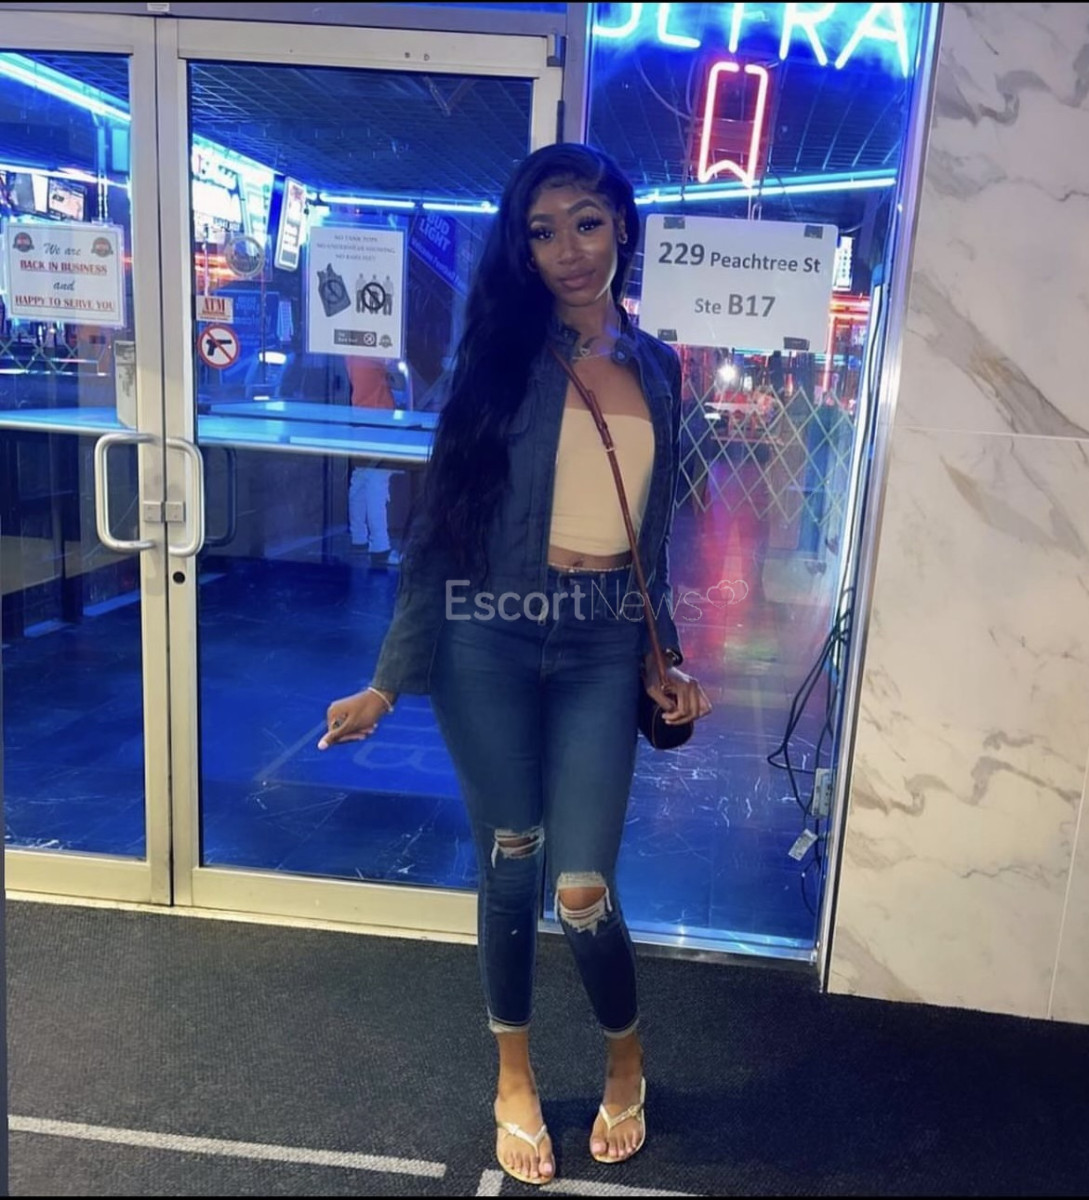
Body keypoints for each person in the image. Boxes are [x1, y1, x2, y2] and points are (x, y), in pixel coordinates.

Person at [318, 143, 712, 1186]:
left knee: (581, 889)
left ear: (622, 227)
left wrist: (662, 658)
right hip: (485, 636)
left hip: (601, 641)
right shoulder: (495, 359)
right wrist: (389, 679)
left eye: (587, 222)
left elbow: (653, 539)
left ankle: (625, 1061)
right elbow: (438, 531)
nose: (568, 250)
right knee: (511, 857)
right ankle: (514, 1079)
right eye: (542, 232)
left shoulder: (660, 370)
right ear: (521, 248)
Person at [346, 355, 397, 567]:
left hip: (361, 415)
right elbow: (392, 364)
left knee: (361, 479)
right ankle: (380, 547)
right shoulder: (372, 354)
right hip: (377, 419)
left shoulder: (351, 353)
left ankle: (358, 537)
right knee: (377, 480)